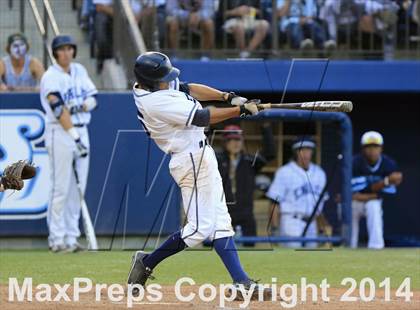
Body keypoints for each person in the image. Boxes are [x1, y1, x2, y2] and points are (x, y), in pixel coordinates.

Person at [126, 51, 271, 300]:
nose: (167, 80)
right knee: (198, 231)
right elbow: (202, 117)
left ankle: (242, 282)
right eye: (163, 78)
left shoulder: (152, 84)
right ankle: (147, 262)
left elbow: (188, 88)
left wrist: (229, 97)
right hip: (189, 160)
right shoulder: (154, 102)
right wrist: (240, 112)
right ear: (151, 81)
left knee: (220, 222)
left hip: (202, 156)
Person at [40, 35, 98, 253]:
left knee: (78, 189)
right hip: (61, 133)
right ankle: (57, 239)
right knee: (61, 187)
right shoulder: (50, 77)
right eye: (61, 50)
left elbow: (94, 98)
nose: (66, 53)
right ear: (55, 53)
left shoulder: (79, 70)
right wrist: (74, 137)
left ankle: (72, 237)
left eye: (69, 49)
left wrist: (84, 105)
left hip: (82, 130)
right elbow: (58, 110)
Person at [216, 124, 275, 246]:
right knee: (216, 252)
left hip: (246, 215)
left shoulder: (249, 161)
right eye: (230, 140)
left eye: (237, 139)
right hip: (221, 215)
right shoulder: (216, 160)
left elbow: (270, 154)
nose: (235, 143)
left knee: (249, 252)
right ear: (224, 142)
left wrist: (266, 127)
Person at [266, 137, 328, 248]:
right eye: (302, 149)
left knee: (312, 260)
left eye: (308, 149)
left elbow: (319, 206)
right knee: (292, 258)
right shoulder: (284, 172)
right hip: (291, 221)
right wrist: (274, 227)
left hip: (312, 223)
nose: (306, 153)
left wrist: (322, 228)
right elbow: (274, 202)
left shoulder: (320, 173)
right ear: (296, 152)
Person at [351, 131, 403, 249]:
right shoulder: (355, 162)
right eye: (368, 147)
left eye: (375, 146)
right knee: (350, 207)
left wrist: (368, 193)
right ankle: (349, 246)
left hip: (371, 201)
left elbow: (389, 192)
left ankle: (376, 248)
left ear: (381, 148)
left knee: (373, 206)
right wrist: (385, 182)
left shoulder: (389, 164)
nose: (372, 150)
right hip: (355, 203)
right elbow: (352, 191)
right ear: (363, 149)